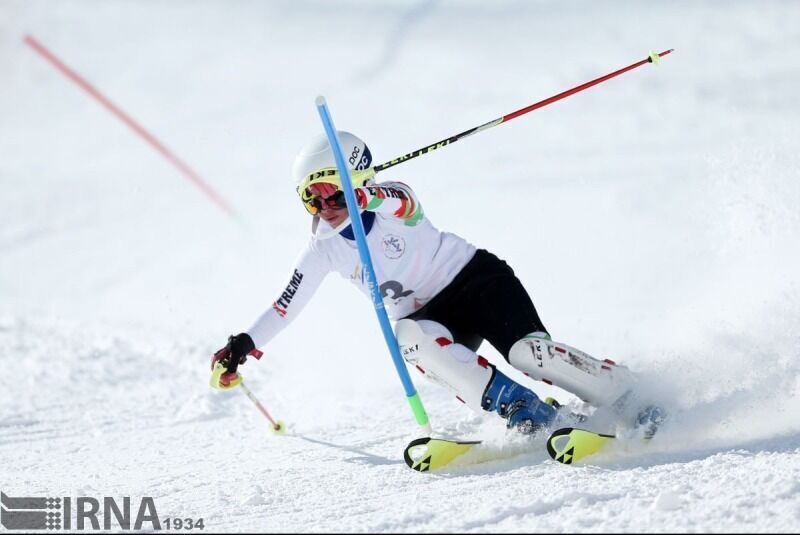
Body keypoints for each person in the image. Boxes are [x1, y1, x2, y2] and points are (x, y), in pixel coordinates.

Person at [211, 131, 647, 434]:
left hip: (476, 282)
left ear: (358, 180)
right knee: (410, 338)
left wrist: (366, 196)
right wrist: (242, 346)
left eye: (334, 192)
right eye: (312, 197)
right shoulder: (323, 248)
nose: (324, 205)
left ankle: (623, 392)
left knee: (530, 355)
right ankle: (525, 411)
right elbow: (285, 306)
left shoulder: (390, 198)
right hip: (428, 317)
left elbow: (402, 204)